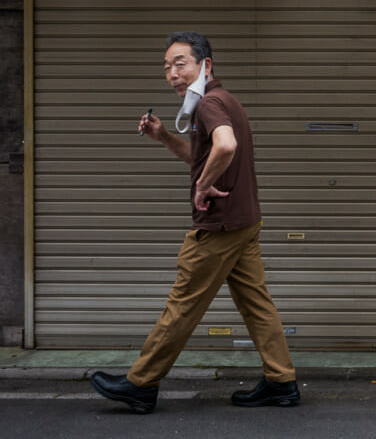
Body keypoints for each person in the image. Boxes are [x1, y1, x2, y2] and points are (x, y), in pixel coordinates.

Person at [91, 31, 299, 414]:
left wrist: (203, 186)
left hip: (219, 226)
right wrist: (164, 137)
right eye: (167, 66)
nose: (172, 73)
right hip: (244, 222)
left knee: (183, 304)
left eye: (180, 63)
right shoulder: (224, 100)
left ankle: (140, 383)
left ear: (205, 64)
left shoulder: (208, 105)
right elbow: (203, 155)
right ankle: (281, 381)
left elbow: (225, 146)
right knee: (257, 305)